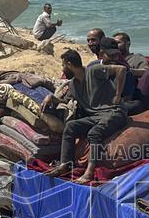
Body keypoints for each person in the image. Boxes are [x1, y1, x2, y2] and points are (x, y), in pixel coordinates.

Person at [41, 49, 128, 184]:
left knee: (94, 133)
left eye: (63, 65)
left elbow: (121, 70)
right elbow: (66, 102)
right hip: (96, 116)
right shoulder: (73, 84)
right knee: (70, 126)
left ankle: (89, 172)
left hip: (114, 112)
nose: (63, 69)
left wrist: (117, 94)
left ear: (69, 64)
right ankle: (65, 164)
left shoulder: (94, 70)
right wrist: (52, 98)